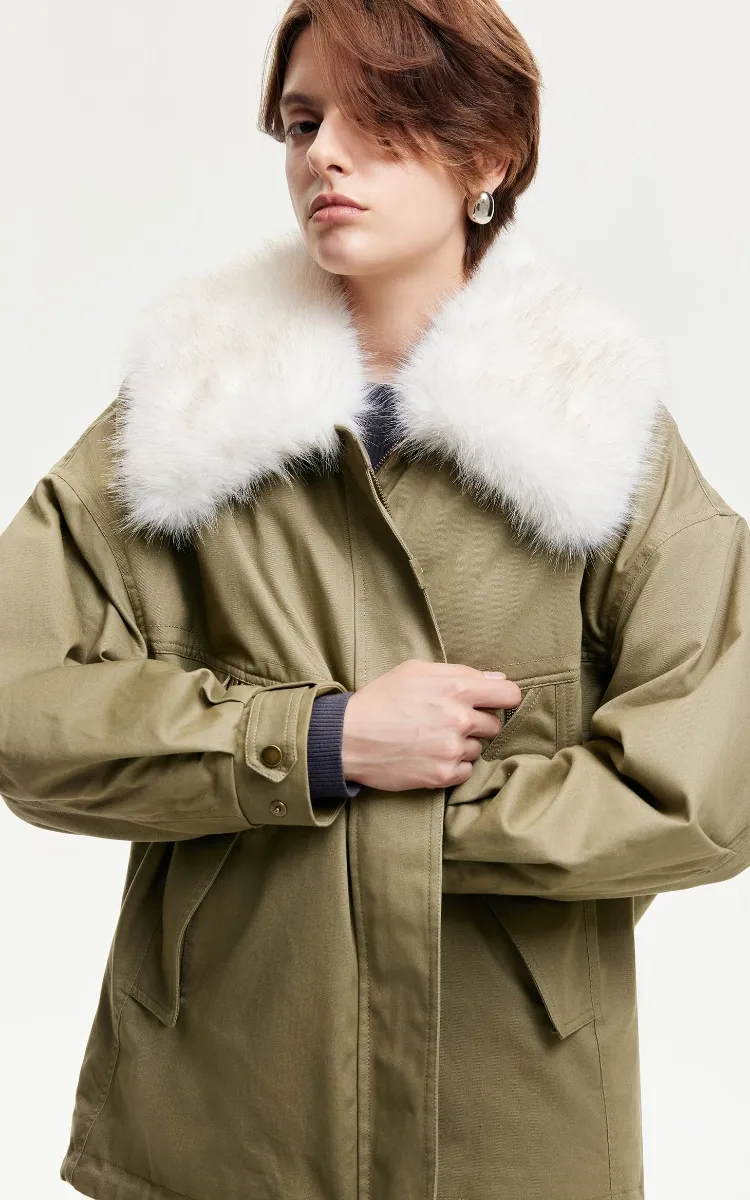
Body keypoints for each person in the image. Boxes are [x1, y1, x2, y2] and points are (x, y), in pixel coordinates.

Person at [2, 2, 750, 1198]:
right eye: (303, 124)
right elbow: (23, 707)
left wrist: (398, 821)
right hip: (224, 1110)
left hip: (510, 1122)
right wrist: (322, 740)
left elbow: (703, 792)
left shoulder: (602, 436)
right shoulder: (187, 415)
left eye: (380, 118)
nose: (326, 157)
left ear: (488, 155)